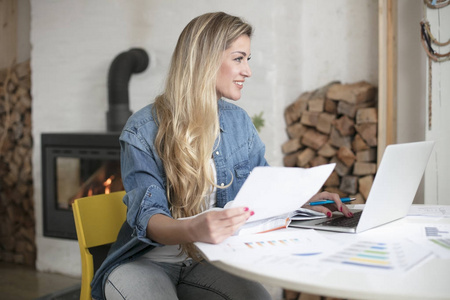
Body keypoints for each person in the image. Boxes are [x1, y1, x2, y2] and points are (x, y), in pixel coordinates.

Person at [91, 11, 353, 300]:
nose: (247, 71)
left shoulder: (239, 123)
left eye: (247, 60)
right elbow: (150, 219)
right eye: (238, 58)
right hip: (145, 263)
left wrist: (302, 200)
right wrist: (194, 227)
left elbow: (262, 191)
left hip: (207, 259)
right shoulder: (142, 129)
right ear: (205, 59)